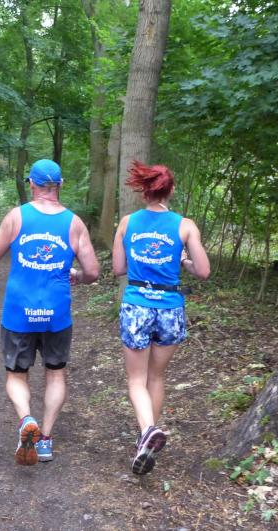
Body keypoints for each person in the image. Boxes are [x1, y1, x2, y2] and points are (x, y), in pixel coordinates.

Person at [0, 159, 100, 465]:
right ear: (60, 185)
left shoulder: (17, 217)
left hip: (19, 312)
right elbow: (93, 272)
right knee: (55, 373)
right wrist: (77, 275)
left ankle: (26, 420)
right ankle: (44, 439)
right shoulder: (74, 223)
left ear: (31, 184)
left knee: (17, 375)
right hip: (56, 312)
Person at [111, 160, 210, 475]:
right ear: (171, 190)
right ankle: (147, 437)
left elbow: (118, 269)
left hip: (137, 304)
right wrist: (183, 261)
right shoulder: (185, 226)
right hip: (170, 307)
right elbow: (203, 271)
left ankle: (147, 431)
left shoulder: (127, 223)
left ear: (144, 191)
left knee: (136, 379)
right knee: (155, 377)